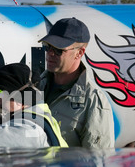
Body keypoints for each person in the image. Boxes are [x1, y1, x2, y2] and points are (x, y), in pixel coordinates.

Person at [38, 17, 115, 148]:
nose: (50, 53)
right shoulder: (35, 86)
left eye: (58, 49)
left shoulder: (93, 101)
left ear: (79, 53)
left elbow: (96, 160)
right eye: (47, 47)